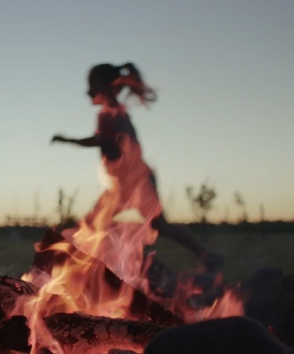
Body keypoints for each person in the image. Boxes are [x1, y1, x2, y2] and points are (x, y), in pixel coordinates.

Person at [51, 63, 223, 271]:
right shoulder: (111, 112)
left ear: (104, 86)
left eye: (92, 85)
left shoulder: (112, 113)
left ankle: (206, 255)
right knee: (95, 223)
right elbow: (107, 142)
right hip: (123, 183)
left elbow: (103, 141)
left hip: (136, 181)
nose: (89, 91)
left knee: (154, 224)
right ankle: (89, 268)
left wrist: (69, 141)